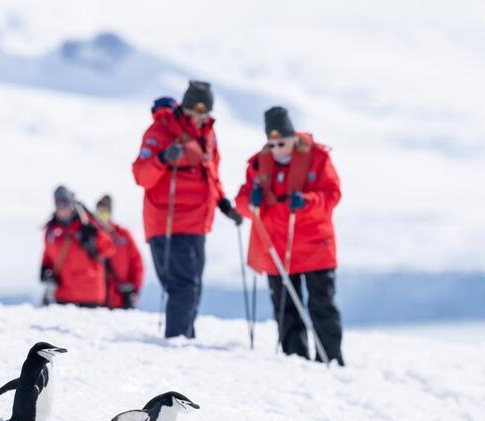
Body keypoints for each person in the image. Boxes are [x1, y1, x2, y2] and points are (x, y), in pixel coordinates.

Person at [234, 106, 344, 365]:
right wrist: (250, 201)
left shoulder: (318, 158)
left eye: (281, 142)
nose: (276, 149)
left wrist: (307, 201)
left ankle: (331, 359)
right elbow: (241, 202)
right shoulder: (259, 164)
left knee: (322, 306)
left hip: (315, 246)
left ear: (293, 136)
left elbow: (332, 194)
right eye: (271, 144)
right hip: (277, 249)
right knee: (286, 310)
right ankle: (296, 361)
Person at [131, 81, 242, 338]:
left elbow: (211, 174)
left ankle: (183, 339)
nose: (203, 117)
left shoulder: (207, 134)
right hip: (168, 222)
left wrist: (223, 203)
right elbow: (141, 175)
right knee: (184, 287)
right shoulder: (160, 131)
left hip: (198, 223)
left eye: (207, 112)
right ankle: (177, 342)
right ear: (186, 107)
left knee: (193, 288)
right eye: (198, 111)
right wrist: (161, 159)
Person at [41, 186, 115, 307]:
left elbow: (109, 248)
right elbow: (47, 256)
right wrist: (44, 270)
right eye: (58, 204)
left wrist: (95, 233)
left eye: (64, 203)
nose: (62, 208)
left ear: (72, 203)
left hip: (90, 297)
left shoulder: (87, 222)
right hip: (63, 297)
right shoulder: (52, 230)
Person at [94, 195, 144, 309]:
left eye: (105, 213)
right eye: (99, 213)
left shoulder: (123, 235)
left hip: (120, 297)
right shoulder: (91, 236)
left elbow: (137, 263)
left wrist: (135, 289)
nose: (102, 218)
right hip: (96, 298)